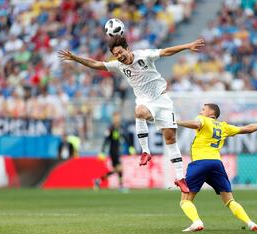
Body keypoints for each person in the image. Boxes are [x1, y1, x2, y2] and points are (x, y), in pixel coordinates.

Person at [58, 36, 205, 193]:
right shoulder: (118, 65)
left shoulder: (144, 55)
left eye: (120, 52)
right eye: (116, 54)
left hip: (163, 100)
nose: (119, 56)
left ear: (127, 48)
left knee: (170, 139)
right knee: (139, 111)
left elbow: (166, 51)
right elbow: (96, 64)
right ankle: (145, 151)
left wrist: (188, 45)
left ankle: (180, 177)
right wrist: (74, 58)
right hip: (145, 102)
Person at [176, 103, 257, 232]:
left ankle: (197, 222)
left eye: (203, 110)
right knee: (229, 199)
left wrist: (177, 121)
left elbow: (197, 124)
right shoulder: (224, 126)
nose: (200, 112)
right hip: (216, 163)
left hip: (199, 163)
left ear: (211, 114)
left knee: (185, 200)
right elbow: (248, 128)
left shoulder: (203, 120)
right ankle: (251, 223)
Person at [96, 111, 134, 192]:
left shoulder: (120, 127)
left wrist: (130, 147)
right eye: (116, 117)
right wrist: (102, 151)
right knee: (120, 168)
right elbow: (106, 140)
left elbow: (125, 137)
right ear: (113, 119)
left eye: (118, 117)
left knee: (117, 170)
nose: (117, 119)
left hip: (118, 151)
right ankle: (121, 186)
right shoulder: (111, 128)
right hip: (113, 152)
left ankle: (99, 180)